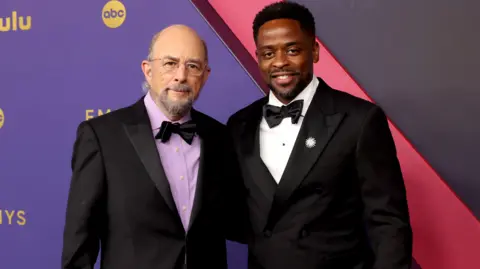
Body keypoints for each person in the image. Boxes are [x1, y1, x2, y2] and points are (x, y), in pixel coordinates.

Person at [226, 2, 413, 269]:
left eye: (292, 50)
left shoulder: (359, 120)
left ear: (314, 51)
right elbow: (235, 216)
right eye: (268, 53)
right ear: (258, 57)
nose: (280, 62)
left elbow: (388, 223)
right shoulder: (239, 125)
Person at [61, 24, 245, 269]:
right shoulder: (101, 136)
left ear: (205, 75)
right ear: (148, 71)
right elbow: (79, 244)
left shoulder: (220, 136)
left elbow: (236, 223)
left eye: (192, 66)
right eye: (170, 63)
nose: (181, 76)